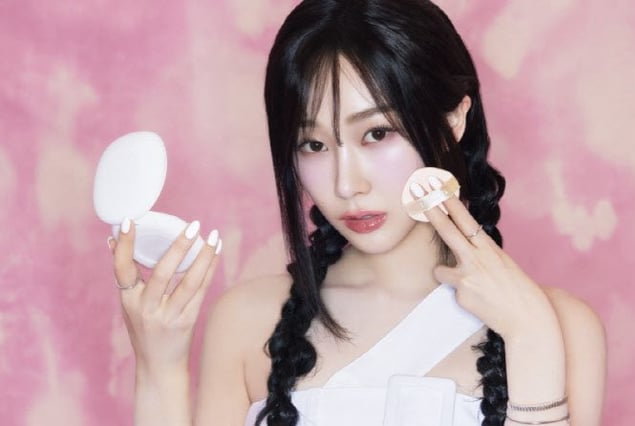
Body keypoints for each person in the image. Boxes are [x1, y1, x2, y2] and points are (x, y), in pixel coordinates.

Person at [109, 0, 607, 425]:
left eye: (377, 133)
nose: (347, 184)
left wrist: (532, 338)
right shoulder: (247, 321)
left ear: (454, 119)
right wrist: (159, 370)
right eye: (313, 144)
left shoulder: (562, 327)